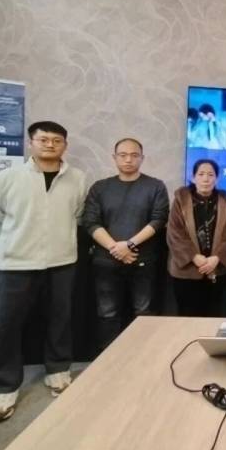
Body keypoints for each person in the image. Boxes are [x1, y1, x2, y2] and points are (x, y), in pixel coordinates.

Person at [0, 121, 87, 424]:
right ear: (31, 143)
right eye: (43, 139)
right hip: (15, 263)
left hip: (61, 261)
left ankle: (58, 370)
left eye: (57, 140)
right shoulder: (7, 178)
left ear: (65, 145)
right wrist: (13, 246)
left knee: (59, 319)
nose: (50, 145)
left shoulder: (78, 178)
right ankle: (5, 387)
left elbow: (78, 216)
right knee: (7, 326)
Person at [83, 138, 169, 352]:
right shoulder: (100, 187)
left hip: (143, 260)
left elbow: (158, 220)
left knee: (144, 312)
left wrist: (128, 245)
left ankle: (143, 359)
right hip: (106, 262)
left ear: (142, 158)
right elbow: (91, 222)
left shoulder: (155, 186)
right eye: (123, 155)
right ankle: (108, 361)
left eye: (134, 155)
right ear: (114, 158)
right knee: (107, 313)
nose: (128, 159)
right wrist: (116, 248)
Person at [167, 159, 226, 316]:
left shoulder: (224, 201)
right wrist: (194, 256)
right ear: (193, 177)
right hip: (186, 270)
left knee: (213, 316)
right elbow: (175, 233)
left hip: (214, 268)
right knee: (187, 316)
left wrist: (216, 258)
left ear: (217, 178)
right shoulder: (181, 199)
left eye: (210, 175)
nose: (206, 179)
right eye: (201, 174)